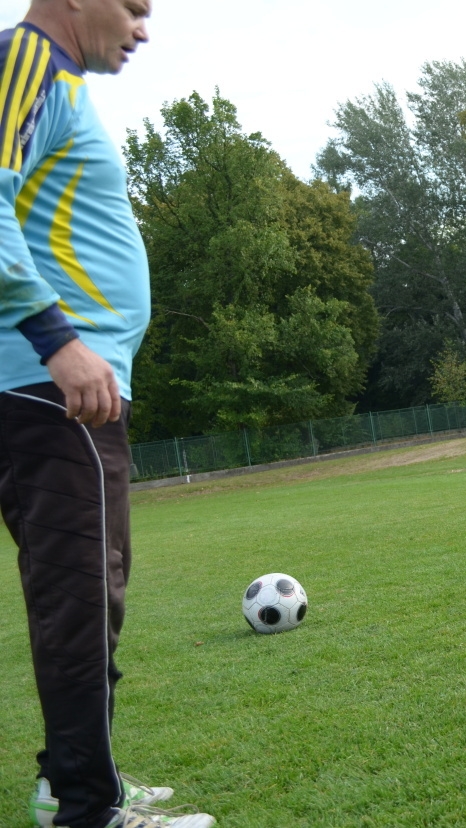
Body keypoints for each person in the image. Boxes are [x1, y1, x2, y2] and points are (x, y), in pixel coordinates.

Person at [0, 2, 215, 827]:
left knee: (88, 593)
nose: (143, 29)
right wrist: (56, 338)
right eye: (133, 6)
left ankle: (72, 781)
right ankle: (88, 811)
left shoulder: (57, 84)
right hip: (50, 388)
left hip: (60, 386)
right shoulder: (25, 61)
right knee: (81, 597)